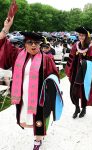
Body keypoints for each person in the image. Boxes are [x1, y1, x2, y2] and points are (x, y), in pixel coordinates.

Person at [0, 17, 63, 150]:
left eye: (36, 43)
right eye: (30, 42)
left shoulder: (46, 59)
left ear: (40, 44)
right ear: (25, 44)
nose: (34, 45)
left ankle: (37, 140)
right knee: (26, 117)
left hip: (39, 97)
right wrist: (6, 28)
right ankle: (38, 135)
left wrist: (50, 91)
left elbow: (54, 76)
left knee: (38, 118)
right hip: (23, 95)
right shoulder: (17, 55)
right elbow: (3, 46)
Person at [65, 26, 92, 119]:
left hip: (85, 74)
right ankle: (76, 108)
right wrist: (69, 71)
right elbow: (71, 58)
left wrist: (85, 63)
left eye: (83, 35)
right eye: (79, 35)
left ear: (87, 36)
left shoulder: (91, 47)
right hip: (76, 72)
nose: (81, 37)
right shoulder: (76, 45)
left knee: (84, 91)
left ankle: (83, 108)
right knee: (74, 91)